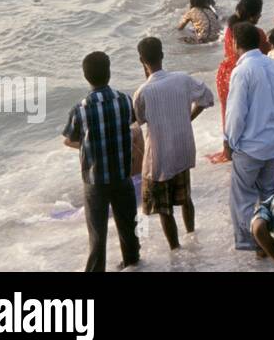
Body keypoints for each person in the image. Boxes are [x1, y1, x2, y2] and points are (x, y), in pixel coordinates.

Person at [132, 37, 214, 250]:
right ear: (163, 54)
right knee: (185, 197)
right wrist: (188, 118)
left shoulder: (142, 92)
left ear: (142, 60)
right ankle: (192, 235)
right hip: (183, 150)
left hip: (160, 157)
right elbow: (207, 98)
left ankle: (175, 249)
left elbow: (139, 122)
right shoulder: (182, 79)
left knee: (163, 209)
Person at [62, 51, 140, 272]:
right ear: (109, 72)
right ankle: (132, 263)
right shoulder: (124, 100)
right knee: (128, 226)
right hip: (122, 176)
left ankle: (96, 270)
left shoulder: (80, 109)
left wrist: (89, 144)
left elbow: (69, 140)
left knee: (97, 235)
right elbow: (133, 124)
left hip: (95, 180)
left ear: (86, 77)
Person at [223, 20, 274, 252]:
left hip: (250, 145)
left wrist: (231, 140)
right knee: (269, 193)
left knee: (243, 199)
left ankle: (251, 242)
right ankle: (270, 238)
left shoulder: (242, 71)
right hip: (272, 140)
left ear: (235, 43)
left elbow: (236, 112)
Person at [213, 0, 267, 162]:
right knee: (249, 113)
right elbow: (264, 55)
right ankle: (246, 149)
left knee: (227, 113)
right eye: (259, 14)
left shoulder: (230, 28)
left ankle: (227, 150)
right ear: (251, 16)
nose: (260, 17)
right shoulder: (257, 33)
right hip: (244, 75)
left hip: (224, 74)